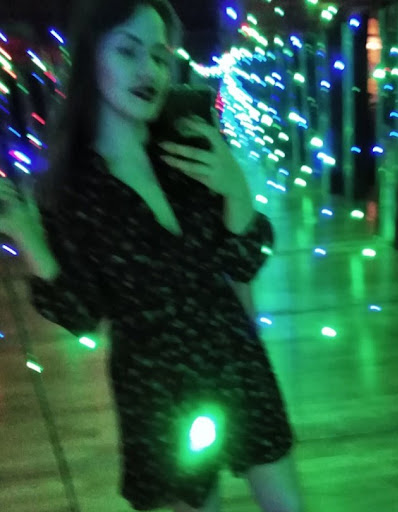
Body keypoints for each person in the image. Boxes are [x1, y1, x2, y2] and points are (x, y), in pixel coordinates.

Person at [0, 1, 305, 511]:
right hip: (158, 388)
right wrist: (28, 237)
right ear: (90, 60)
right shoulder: (71, 190)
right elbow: (83, 313)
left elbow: (240, 263)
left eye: (160, 56)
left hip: (236, 359)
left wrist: (237, 192)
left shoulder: (188, 143)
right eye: (128, 51)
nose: (150, 70)